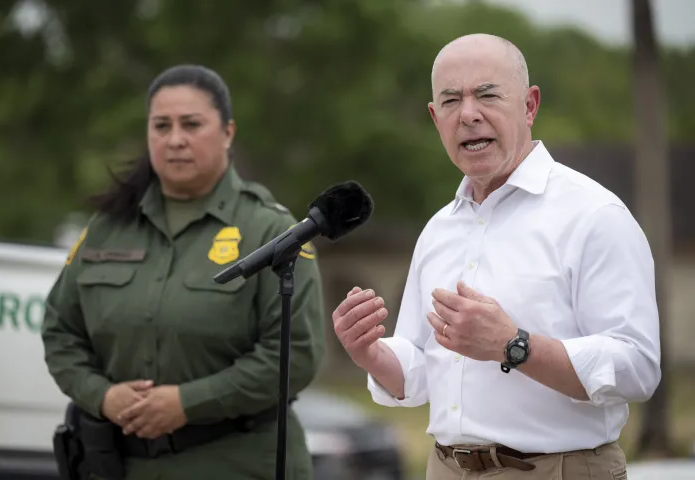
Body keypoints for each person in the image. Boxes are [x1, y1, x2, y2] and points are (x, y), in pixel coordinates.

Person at [331, 34, 661, 479]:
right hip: (445, 467)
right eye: (451, 101)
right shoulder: (439, 229)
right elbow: (422, 368)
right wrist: (370, 353)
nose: (468, 114)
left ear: (529, 106)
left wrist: (513, 345)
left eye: (487, 94)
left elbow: (637, 368)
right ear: (435, 117)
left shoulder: (594, 215)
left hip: (557, 469)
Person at [41, 64, 326, 480]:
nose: (175, 139)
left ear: (228, 133)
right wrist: (101, 396)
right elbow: (60, 331)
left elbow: (294, 355)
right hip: (119, 466)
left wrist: (187, 403)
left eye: (191, 124)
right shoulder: (107, 228)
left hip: (237, 464)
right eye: (161, 125)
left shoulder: (273, 232)